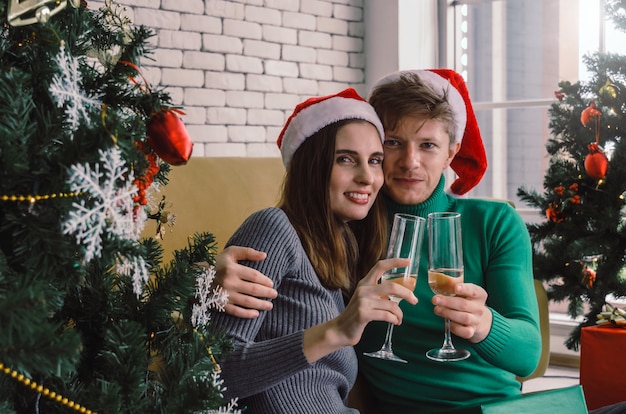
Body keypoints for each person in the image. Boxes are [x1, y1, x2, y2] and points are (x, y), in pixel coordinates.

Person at [213, 69, 542, 413]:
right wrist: (208, 276)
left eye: (428, 145)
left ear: (451, 152)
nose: (409, 162)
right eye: (393, 144)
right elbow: (287, 252)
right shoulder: (353, 224)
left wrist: (484, 324)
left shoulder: (495, 222)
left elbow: (528, 357)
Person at [209, 87, 419, 414]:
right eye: (346, 159)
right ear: (312, 166)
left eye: (375, 161)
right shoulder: (273, 227)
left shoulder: (343, 244)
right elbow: (211, 373)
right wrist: (334, 332)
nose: (367, 177)